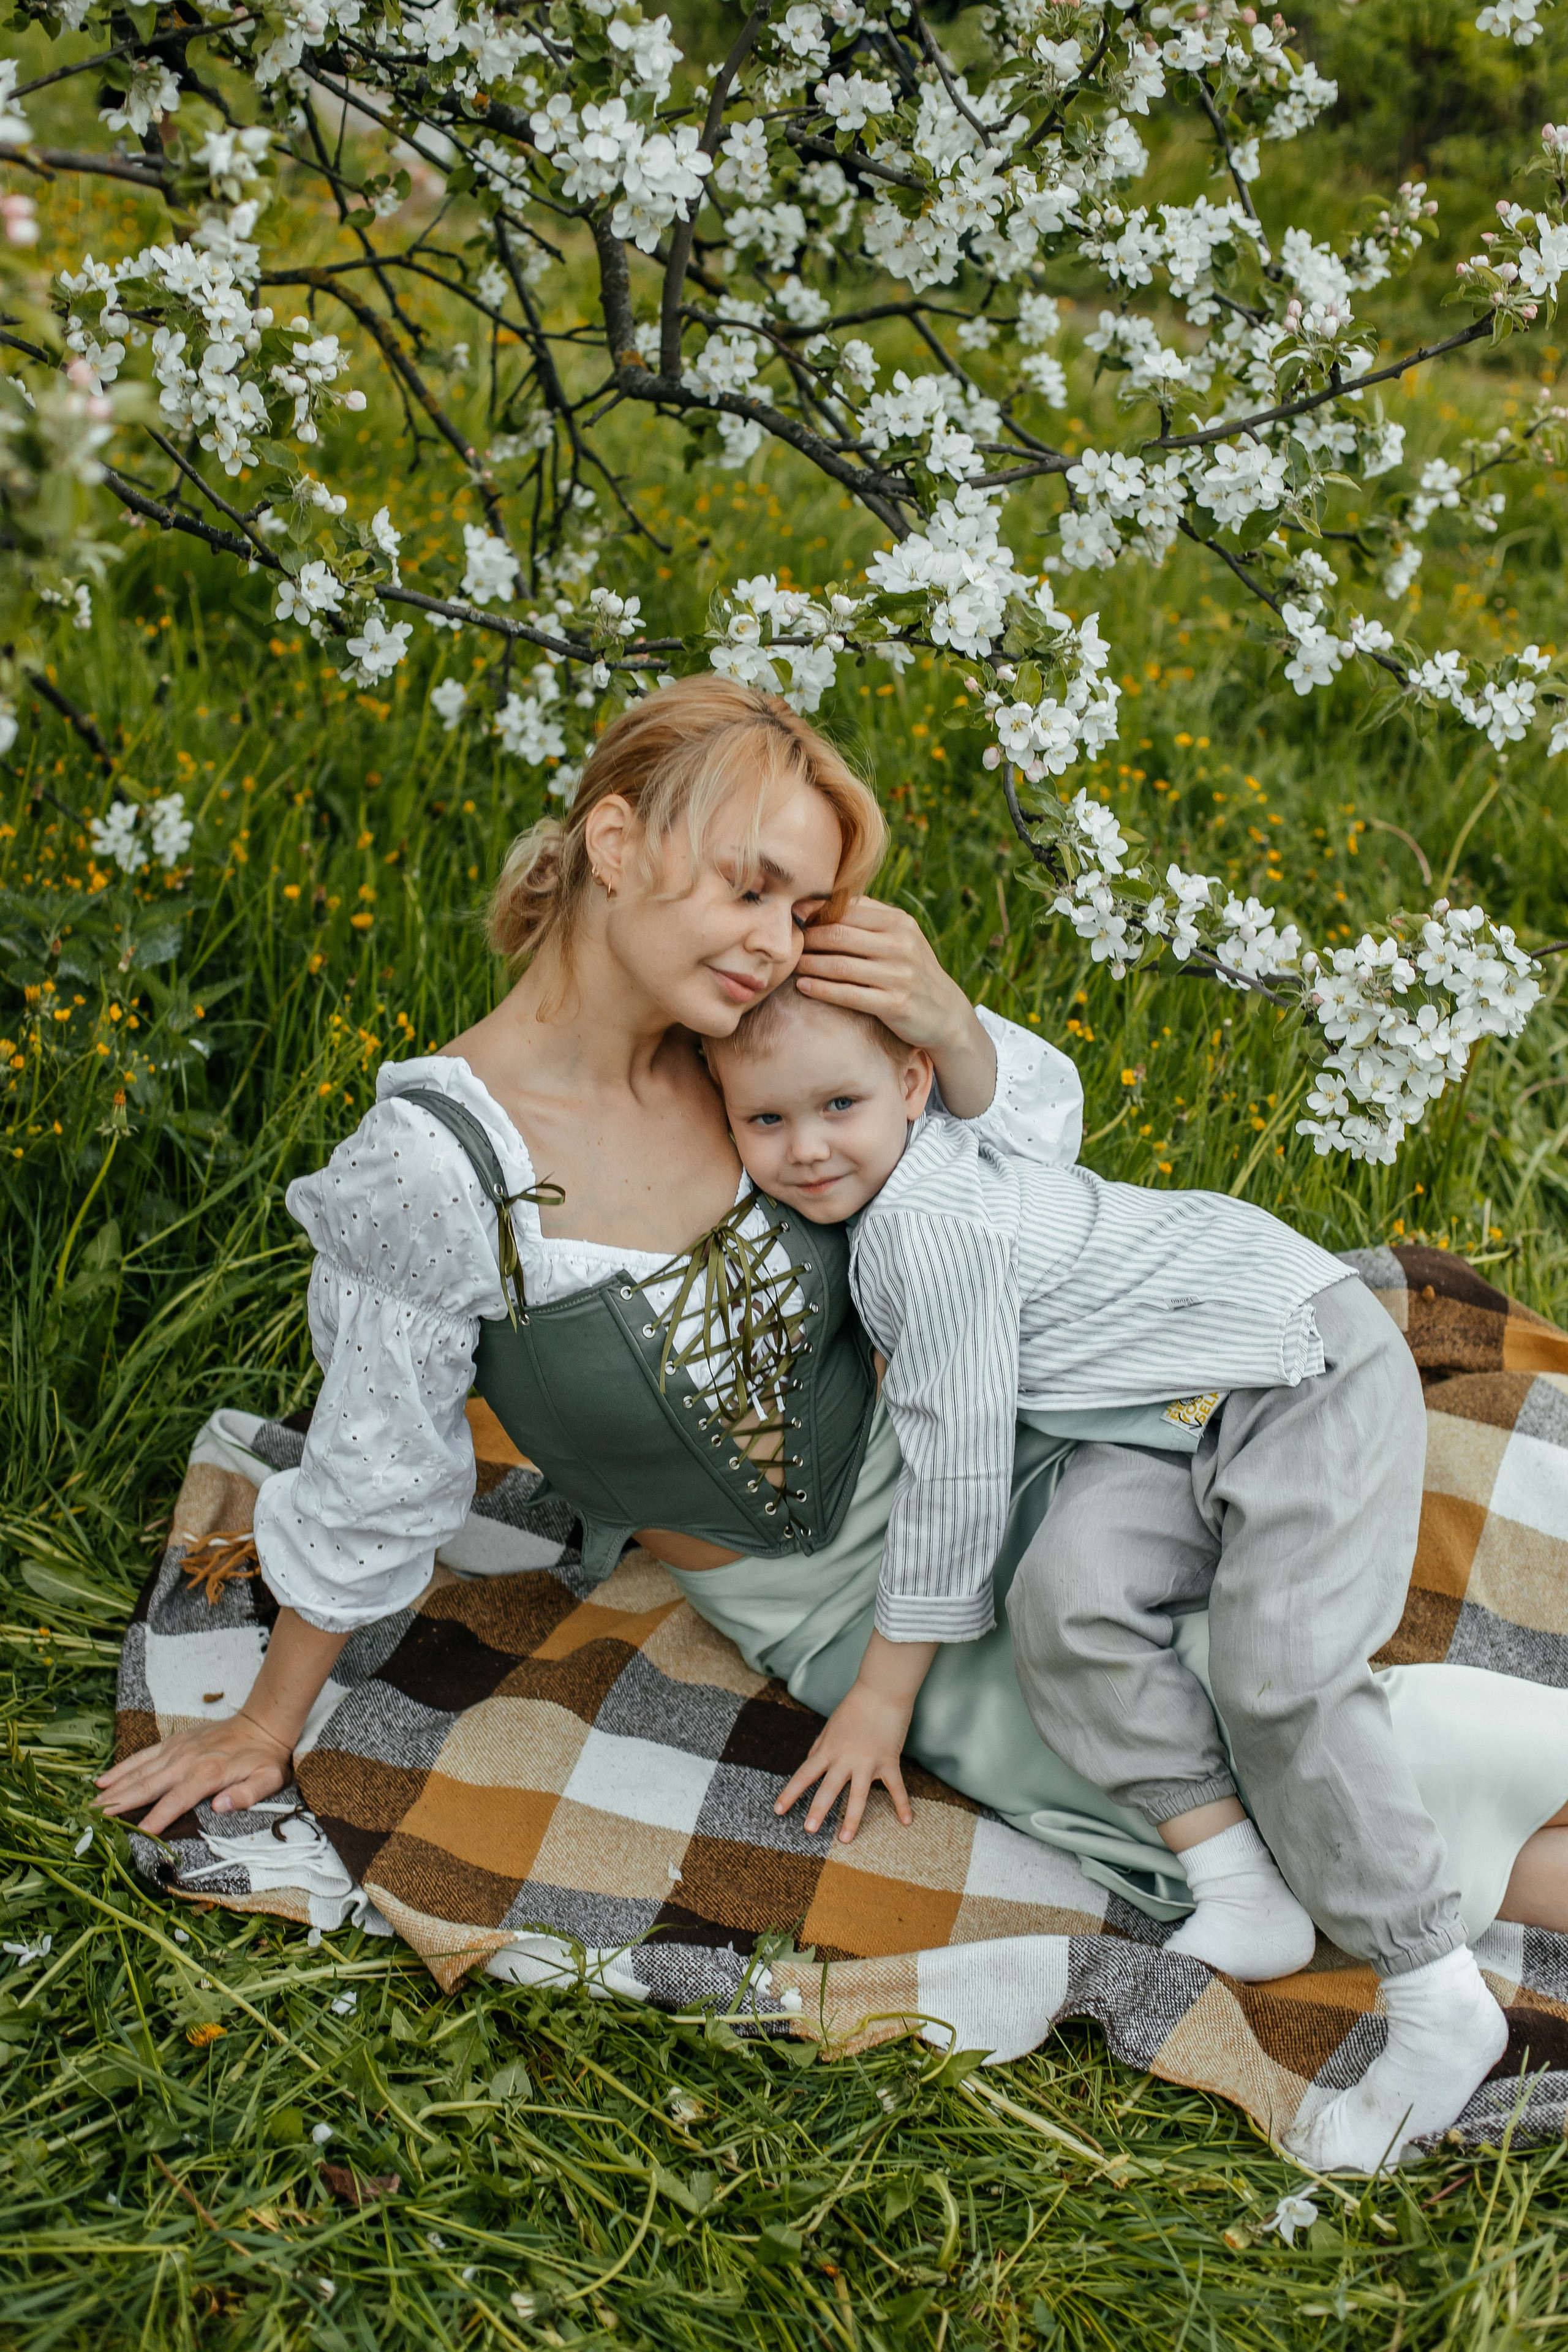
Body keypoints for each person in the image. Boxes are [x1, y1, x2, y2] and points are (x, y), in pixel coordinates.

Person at [94, 676, 1568, 2176]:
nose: (772, 939)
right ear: (614, 841)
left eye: (800, 903)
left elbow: (1004, 1171)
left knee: (1283, 1715)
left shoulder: (769, 1039)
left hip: (1030, 1450)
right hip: (827, 1598)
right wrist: (274, 1720)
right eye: (749, 885)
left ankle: (1434, 1924)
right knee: (1207, 1787)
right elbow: (379, 1470)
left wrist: (942, 1017)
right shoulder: (435, 1164)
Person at [703, 971, 1565, 2173]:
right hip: (1163, 1414)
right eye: (765, 1122)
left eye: (836, 1106)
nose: (804, 1149)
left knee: (1276, 1672)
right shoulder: (905, 1174)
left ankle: (1430, 1992)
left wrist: (880, 1694)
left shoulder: (925, 1225)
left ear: (910, 1086)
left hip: (1291, 1364)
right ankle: (1238, 1882)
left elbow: (954, 1475)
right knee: (1061, 1598)